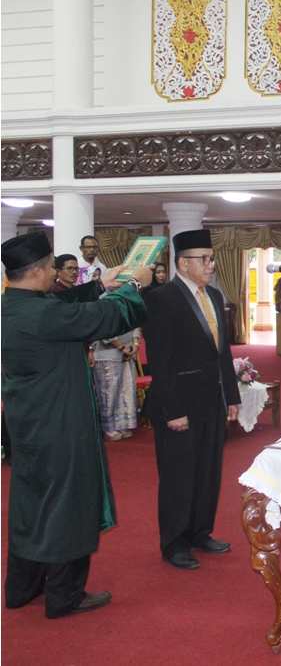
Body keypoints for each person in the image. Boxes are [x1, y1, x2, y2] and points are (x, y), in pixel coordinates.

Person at [1, 231, 151, 619]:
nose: (56, 274)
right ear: (37, 272)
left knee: (31, 505)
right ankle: (64, 595)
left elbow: (63, 303)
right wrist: (134, 286)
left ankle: (22, 587)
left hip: (27, 425)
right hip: (61, 425)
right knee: (69, 506)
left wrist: (101, 285)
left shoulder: (11, 306)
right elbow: (106, 318)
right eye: (51, 267)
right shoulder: (43, 315)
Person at [141, 229, 240, 571]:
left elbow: (222, 351)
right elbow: (160, 360)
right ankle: (174, 543)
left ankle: (200, 532)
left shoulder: (212, 295)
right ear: (183, 263)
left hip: (211, 399)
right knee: (179, 477)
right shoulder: (162, 298)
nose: (211, 265)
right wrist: (173, 409)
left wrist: (231, 395)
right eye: (205, 259)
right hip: (179, 405)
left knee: (207, 473)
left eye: (212, 258)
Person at [91, 327, 140, 441]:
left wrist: (135, 345)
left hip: (128, 352)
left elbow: (135, 325)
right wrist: (121, 347)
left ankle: (121, 424)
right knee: (109, 391)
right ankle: (108, 427)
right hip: (106, 353)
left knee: (125, 389)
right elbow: (104, 329)